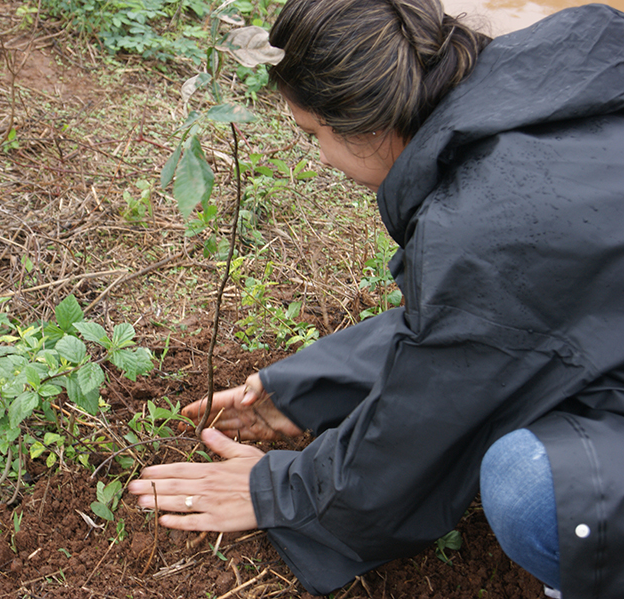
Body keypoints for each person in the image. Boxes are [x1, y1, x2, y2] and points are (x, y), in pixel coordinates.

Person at [128, 0, 624, 596]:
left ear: (362, 122)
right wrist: (309, 387)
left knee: (537, 488)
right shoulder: (552, 72)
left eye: (312, 133)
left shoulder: (492, 223)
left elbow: (436, 404)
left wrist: (285, 491)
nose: (318, 156)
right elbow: (512, 320)